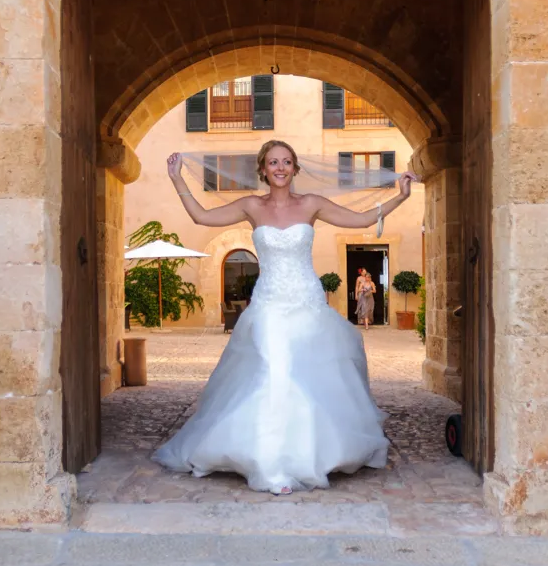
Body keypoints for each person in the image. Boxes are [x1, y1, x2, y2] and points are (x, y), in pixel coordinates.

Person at [153, 140, 418, 495]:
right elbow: (201, 216)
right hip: (268, 304)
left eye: (287, 162)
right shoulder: (251, 205)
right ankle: (269, 464)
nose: (280, 168)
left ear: (295, 168)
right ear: (262, 169)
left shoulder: (311, 205)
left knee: (306, 376)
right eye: (273, 162)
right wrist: (177, 179)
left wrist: (400, 196)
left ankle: (306, 457)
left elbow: (361, 219)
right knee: (273, 373)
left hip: (307, 302)